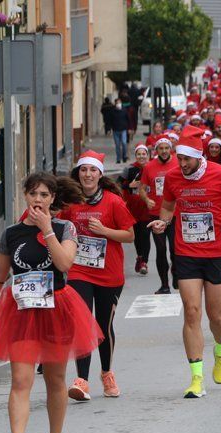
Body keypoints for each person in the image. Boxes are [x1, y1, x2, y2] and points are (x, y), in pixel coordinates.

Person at [0, 173, 102, 433]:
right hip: (21, 311)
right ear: (25, 195)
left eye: (45, 195)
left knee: (55, 380)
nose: (38, 199)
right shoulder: (11, 233)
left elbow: (65, 263)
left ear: (52, 199)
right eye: (34, 194)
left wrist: (47, 228)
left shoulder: (65, 228)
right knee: (21, 380)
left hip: (55, 310)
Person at [148, 126, 221, 398]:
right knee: (191, 312)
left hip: (216, 253)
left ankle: (220, 350)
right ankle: (196, 378)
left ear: (198, 156)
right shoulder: (173, 177)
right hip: (186, 252)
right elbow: (168, 207)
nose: (181, 164)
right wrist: (164, 221)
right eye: (179, 158)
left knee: (217, 317)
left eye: (186, 160)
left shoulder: (220, 174)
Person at [58, 151, 135, 400]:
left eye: (92, 170)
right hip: (80, 270)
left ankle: (107, 373)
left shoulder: (113, 202)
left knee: (103, 325)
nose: (88, 174)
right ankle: (81, 380)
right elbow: (59, 227)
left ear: (100, 175)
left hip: (109, 274)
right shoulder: (71, 203)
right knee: (82, 322)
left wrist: (104, 231)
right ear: (78, 174)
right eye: (83, 170)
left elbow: (129, 235)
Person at [139, 138, 178, 293]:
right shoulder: (149, 167)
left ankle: (176, 275)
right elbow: (142, 188)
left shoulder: (177, 163)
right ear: (156, 150)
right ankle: (164, 285)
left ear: (170, 149)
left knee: (175, 250)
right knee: (161, 250)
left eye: (166, 148)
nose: (163, 151)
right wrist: (147, 199)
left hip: (174, 214)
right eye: (160, 148)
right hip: (156, 214)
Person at [120, 143, 152, 275]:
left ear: (147, 155)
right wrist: (129, 185)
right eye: (139, 154)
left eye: (144, 154)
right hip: (133, 207)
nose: (141, 156)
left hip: (147, 206)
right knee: (137, 235)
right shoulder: (129, 169)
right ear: (135, 156)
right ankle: (139, 257)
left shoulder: (152, 168)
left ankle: (144, 261)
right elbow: (118, 184)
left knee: (146, 235)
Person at [110, 99, 130, 164]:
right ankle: (118, 159)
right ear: (115, 104)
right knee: (117, 145)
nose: (118, 104)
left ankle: (124, 156)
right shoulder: (113, 111)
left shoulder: (124, 110)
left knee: (124, 143)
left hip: (123, 130)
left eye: (119, 103)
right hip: (115, 130)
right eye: (117, 103)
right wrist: (110, 128)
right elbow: (110, 120)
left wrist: (129, 128)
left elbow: (128, 119)